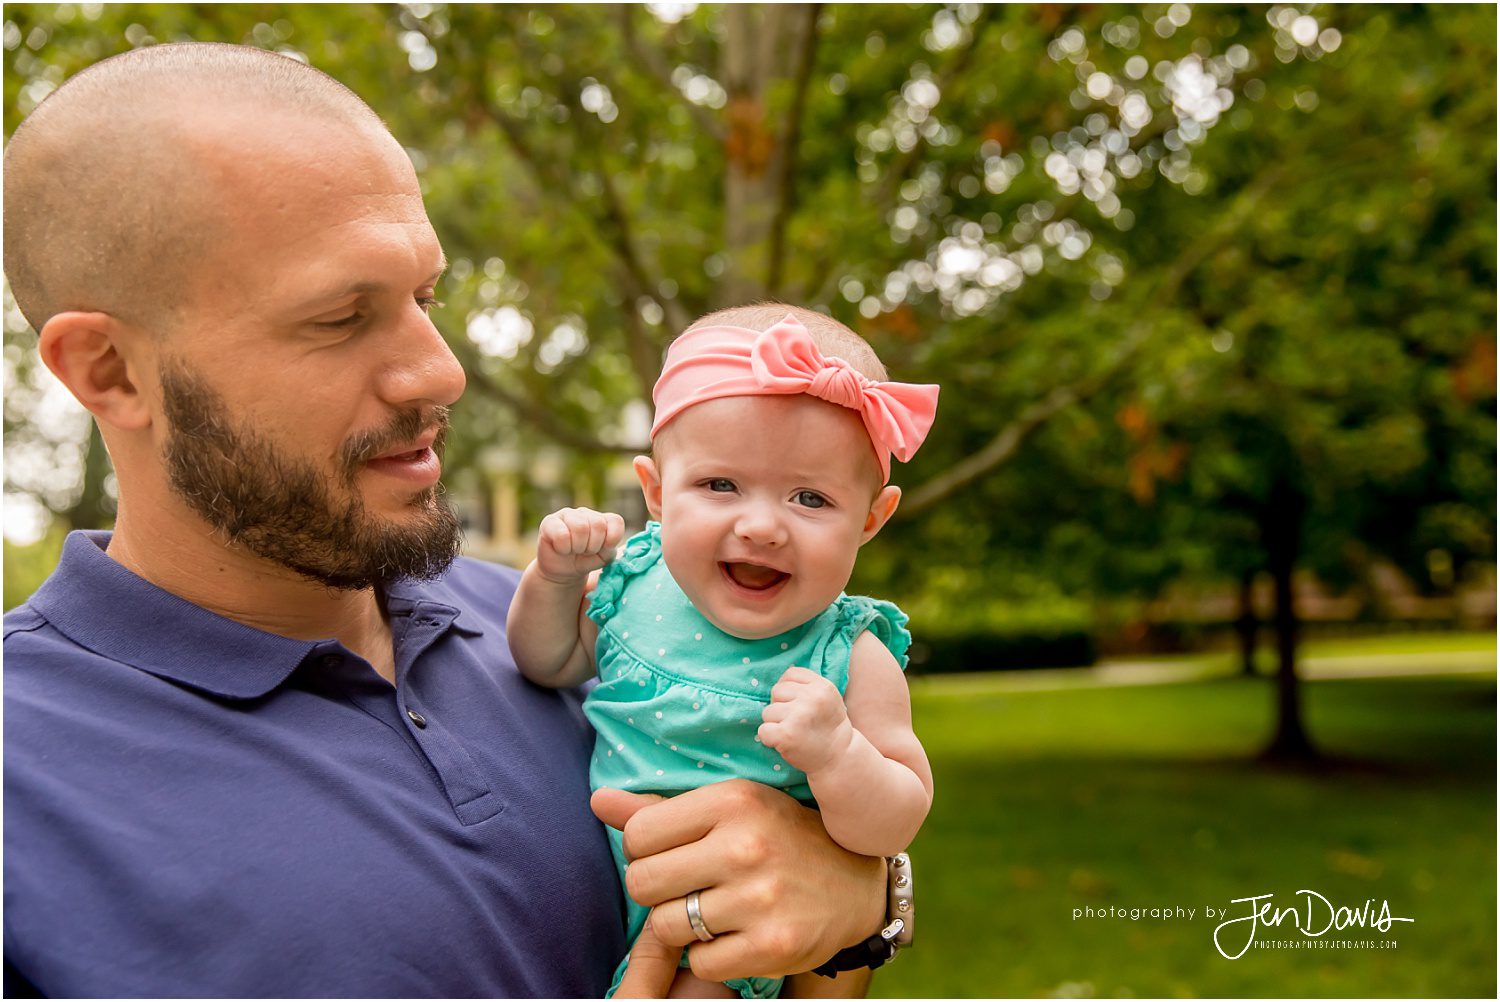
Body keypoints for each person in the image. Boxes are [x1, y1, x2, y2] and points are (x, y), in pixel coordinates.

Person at [1, 43, 889, 998]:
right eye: (342, 316)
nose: (441, 372)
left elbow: (809, 927)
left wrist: (864, 906)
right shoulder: (26, 779)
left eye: (427, 296)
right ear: (109, 372)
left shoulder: (569, 624)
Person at [508, 307, 938, 998]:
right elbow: (547, 661)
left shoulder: (850, 654)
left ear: (871, 519)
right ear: (655, 492)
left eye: (810, 497)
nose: (761, 525)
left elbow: (896, 818)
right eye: (720, 485)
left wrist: (836, 754)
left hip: (724, 931)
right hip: (593, 895)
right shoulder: (633, 588)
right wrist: (554, 581)